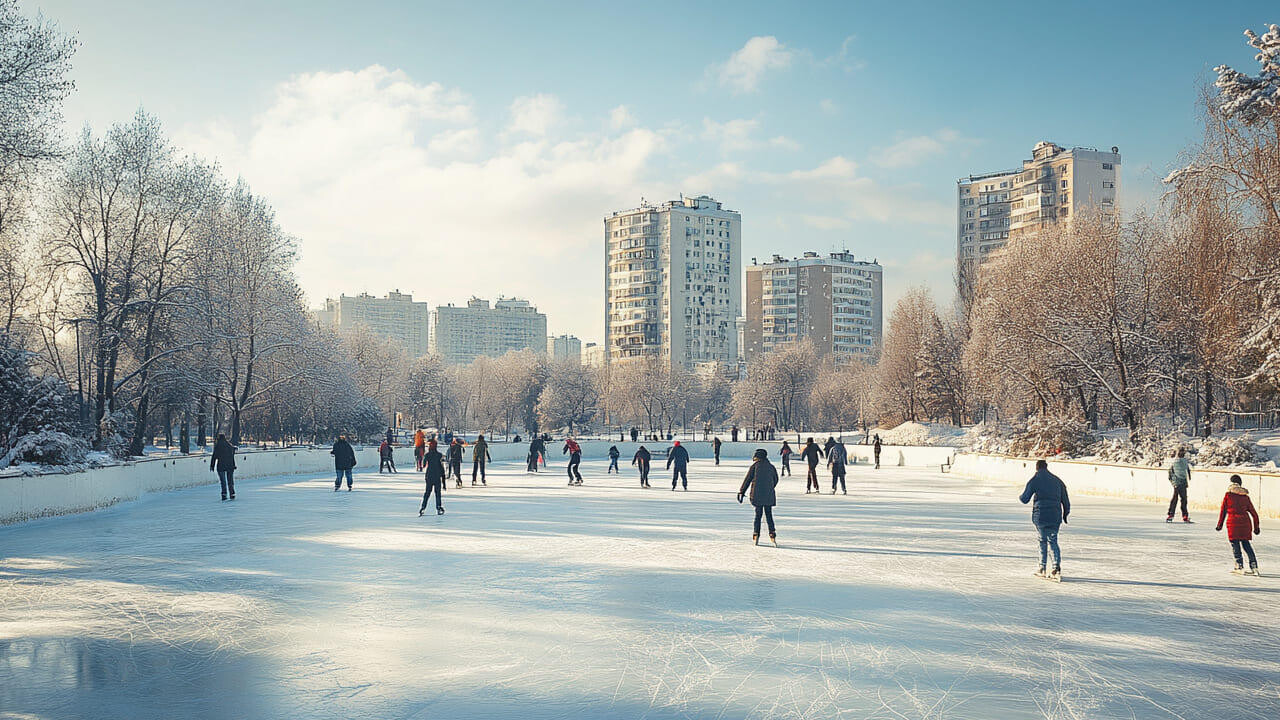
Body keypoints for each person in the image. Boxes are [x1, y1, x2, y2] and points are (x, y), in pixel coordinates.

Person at [1019, 459, 1071, 580]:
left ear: (1037, 468)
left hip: (1040, 516)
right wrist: (1065, 514)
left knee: (1042, 540)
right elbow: (1066, 501)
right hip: (1055, 516)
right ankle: (1056, 568)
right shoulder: (1057, 481)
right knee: (1053, 540)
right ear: (1046, 467)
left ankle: (1042, 568)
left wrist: (1020, 497)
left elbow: (1025, 499)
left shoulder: (1035, 480)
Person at [1217, 475, 1261, 575]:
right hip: (1245, 523)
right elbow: (1254, 513)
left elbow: (1223, 511)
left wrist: (1220, 525)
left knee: (1235, 545)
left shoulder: (1228, 495)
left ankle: (1239, 566)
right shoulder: (1245, 497)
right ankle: (1254, 566)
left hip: (1233, 524)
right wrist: (1256, 527)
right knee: (1246, 545)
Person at [738, 448, 780, 546]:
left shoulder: (755, 467)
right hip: (768, 495)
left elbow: (747, 480)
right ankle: (772, 533)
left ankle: (756, 534)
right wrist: (769, 487)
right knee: (769, 515)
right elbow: (776, 479)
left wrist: (741, 491)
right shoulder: (771, 466)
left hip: (757, 495)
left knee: (758, 515)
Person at [419, 439, 445, 516]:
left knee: (427, 493)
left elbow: (423, 465)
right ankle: (438, 507)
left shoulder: (427, 455)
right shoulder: (439, 455)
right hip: (437, 476)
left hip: (429, 476)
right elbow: (441, 467)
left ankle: (423, 507)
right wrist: (444, 481)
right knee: (438, 493)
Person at [1166, 448, 1193, 523]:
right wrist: (1174, 482)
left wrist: (1173, 481)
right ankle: (1175, 514)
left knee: (1180, 499)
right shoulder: (1177, 462)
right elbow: (1171, 473)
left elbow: (1186, 470)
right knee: (1180, 499)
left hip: (1181, 483)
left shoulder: (1181, 461)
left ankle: (1175, 514)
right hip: (1180, 482)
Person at [209, 433, 237, 501]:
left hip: (221, 466)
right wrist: (233, 465)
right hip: (230, 466)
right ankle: (232, 494)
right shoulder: (229, 446)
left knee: (223, 481)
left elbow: (214, 457)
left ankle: (224, 494)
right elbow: (232, 457)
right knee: (230, 481)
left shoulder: (218, 446)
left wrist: (212, 465)